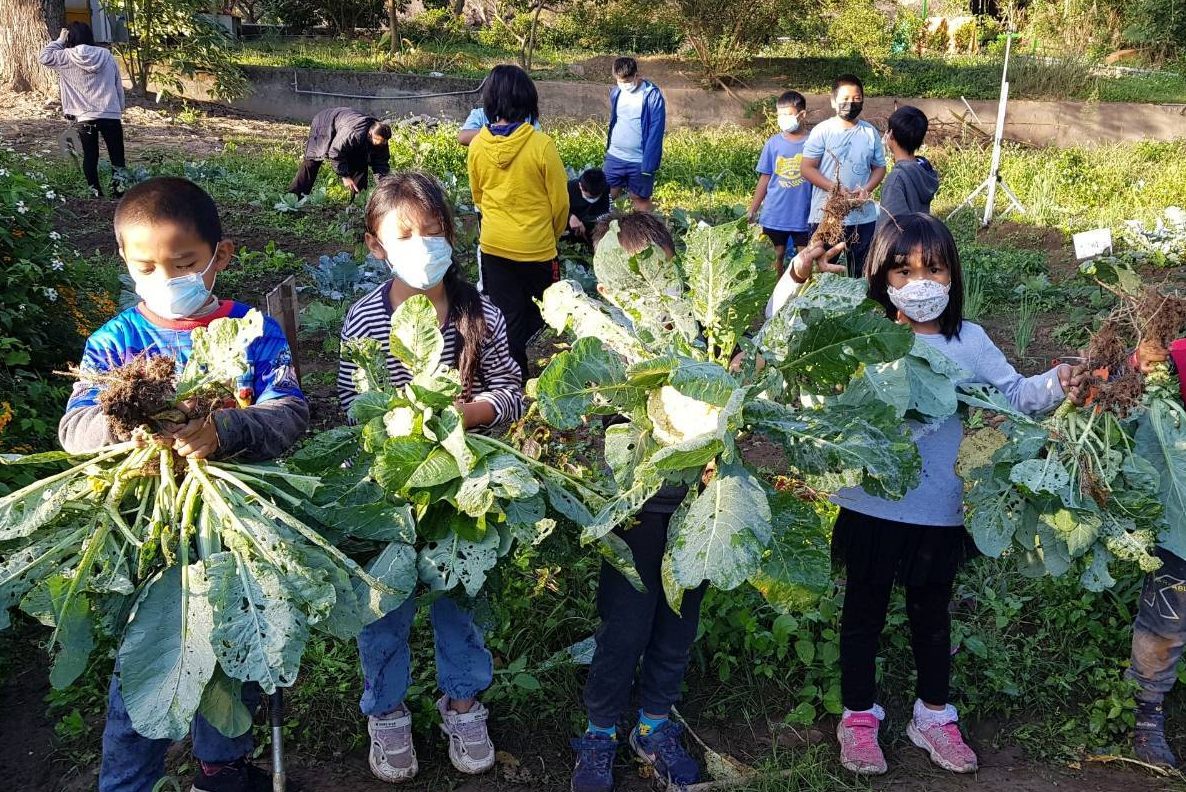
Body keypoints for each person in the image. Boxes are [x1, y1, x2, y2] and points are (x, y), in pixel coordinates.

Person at [59, 177, 308, 792]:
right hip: (150, 531)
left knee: (236, 652)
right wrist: (132, 427)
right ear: (124, 259)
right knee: (147, 661)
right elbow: (75, 429)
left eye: (185, 263)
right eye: (146, 266)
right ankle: (127, 782)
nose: (166, 278)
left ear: (220, 256)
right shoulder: (115, 342)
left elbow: (289, 413)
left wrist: (225, 429)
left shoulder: (253, 331)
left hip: (234, 528)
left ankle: (221, 769)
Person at [831, 213, 1080, 776]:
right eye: (904, 270)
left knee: (932, 613)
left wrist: (1059, 381)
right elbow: (793, 345)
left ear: (953, 276)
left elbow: (1014, 395)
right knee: (863, 612)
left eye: (934, 269)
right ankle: (859, 716)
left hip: (940, 507)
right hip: (870, 502)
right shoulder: (862, 334)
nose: (920, 283)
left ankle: (933, 715)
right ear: (881, 277)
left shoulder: (968, 341)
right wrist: (798, 274)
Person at [337, 172, 524, 784]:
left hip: (463, 489)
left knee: (460, 602)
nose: (422, 245)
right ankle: (386, 711)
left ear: (452, 235)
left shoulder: (481, 312)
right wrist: (399, 423)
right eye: (405, 234)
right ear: (376, 246)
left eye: (434, 231)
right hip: (388, 491)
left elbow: (511, 389)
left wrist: (473, 413)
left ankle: (463, 703)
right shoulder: (366, 319)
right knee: (383, 607)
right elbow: (351, 403)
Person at [570, 212, 703, 792]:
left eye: (661, 276)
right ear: (607, 289)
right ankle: (599, 731)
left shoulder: (698, 335)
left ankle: (652, 726)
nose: (651, 293)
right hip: (632, 514)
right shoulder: (604, 347)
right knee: (623, 630)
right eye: (635, 281)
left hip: (697, 511)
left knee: (677, 627)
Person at [467, 64, 568, 379]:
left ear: (490, 101)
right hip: (538, 248)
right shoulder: (542, 145)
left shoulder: (477, 145)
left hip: (495, 247)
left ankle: (513, 376)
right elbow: (560, 203)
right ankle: (523, 367)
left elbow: (478, 196)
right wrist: (550, 235)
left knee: (507, 316)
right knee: (545, 312)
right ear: (528, 101)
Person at [800, 74, 887, 278]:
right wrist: (834, 188)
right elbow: (807, 168)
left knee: (860, 273)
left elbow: (879, 168)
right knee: (821, 273)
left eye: (857, 99)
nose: (851, 103)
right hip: (826, 216)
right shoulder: (822, 131)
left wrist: (867, 189)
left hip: (862, 217)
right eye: (845, 99)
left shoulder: (870, 132)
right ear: (833, 101)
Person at [38, 23, 126, 198]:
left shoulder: (65, 56)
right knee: (117, 156)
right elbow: (118, 83)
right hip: (110, 113)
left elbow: (44, 57)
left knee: (90, 156)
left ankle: (95, 193)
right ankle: (119, 193)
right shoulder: (107, 55)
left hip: (84, 117)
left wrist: (59, 41)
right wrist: (119, 108)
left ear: (70, 38)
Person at [749, 90, 814, 276]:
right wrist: (753, 209)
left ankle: (802, 291)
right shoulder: (773, 143)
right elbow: (765, 178)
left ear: (802, 114)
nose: (783, 119)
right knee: (775, 255)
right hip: (775, 213)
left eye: (788, 114)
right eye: (780, 115)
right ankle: (776, 291)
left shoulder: (814, 142)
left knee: (805, 258)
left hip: (804, 214)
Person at [603, 57, 666, 212]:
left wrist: (649, 164)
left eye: (627, 81)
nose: (624, 85)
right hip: (615, 155)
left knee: (639, 198)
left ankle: (642, 227)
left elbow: (656, 131)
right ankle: (605, 225)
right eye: (620, 81)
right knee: (605, 194)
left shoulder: (652, 96)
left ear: (636, 75)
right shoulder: (616, 93)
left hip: (639, 160)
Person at [289, 107, 392, 198]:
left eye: (384, 142)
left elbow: (381, 165)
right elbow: (335, 152)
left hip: (344, 125)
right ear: (370, 134)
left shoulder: (381, 138)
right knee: (312, 163)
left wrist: (385, 188)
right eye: (378, 141)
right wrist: (345, 176)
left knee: (360, 164)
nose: (381, 144)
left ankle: (357, 203)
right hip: (324, 124)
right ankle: (294, 197)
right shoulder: (353, 133)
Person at [877, 106, 940, 228]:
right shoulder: (923, 168)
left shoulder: (896, 179)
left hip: (903, 239)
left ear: (891, 134)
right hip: (921, 236)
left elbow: (890, 227)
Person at [565, 168, 611, 245]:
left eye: (596, 197)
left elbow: (607, 213)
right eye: (589, 197)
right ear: (580, 186)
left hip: (590, 227)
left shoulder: (605, 189)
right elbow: (557, 209)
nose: (592, 200)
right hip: (568, 225)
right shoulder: (569, 188)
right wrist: (570, 216)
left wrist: (586, 222)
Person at [457, 104, 539, 146]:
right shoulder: (480, 114)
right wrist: (498, 130)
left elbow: (536, 140)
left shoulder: (528, 117)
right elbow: (463, 138)